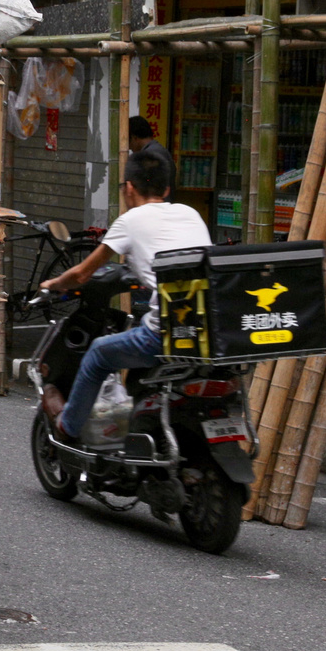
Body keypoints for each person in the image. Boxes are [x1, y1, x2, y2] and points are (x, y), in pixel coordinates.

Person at [39, 144, 212, 445]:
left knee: (97, 354)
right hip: (208, 330)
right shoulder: (190, 214)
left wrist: (52, 284)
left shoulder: (130, 221)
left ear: (129, 188)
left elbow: (81, 274)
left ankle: (68, 427)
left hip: (166, 335)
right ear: (167, 188)